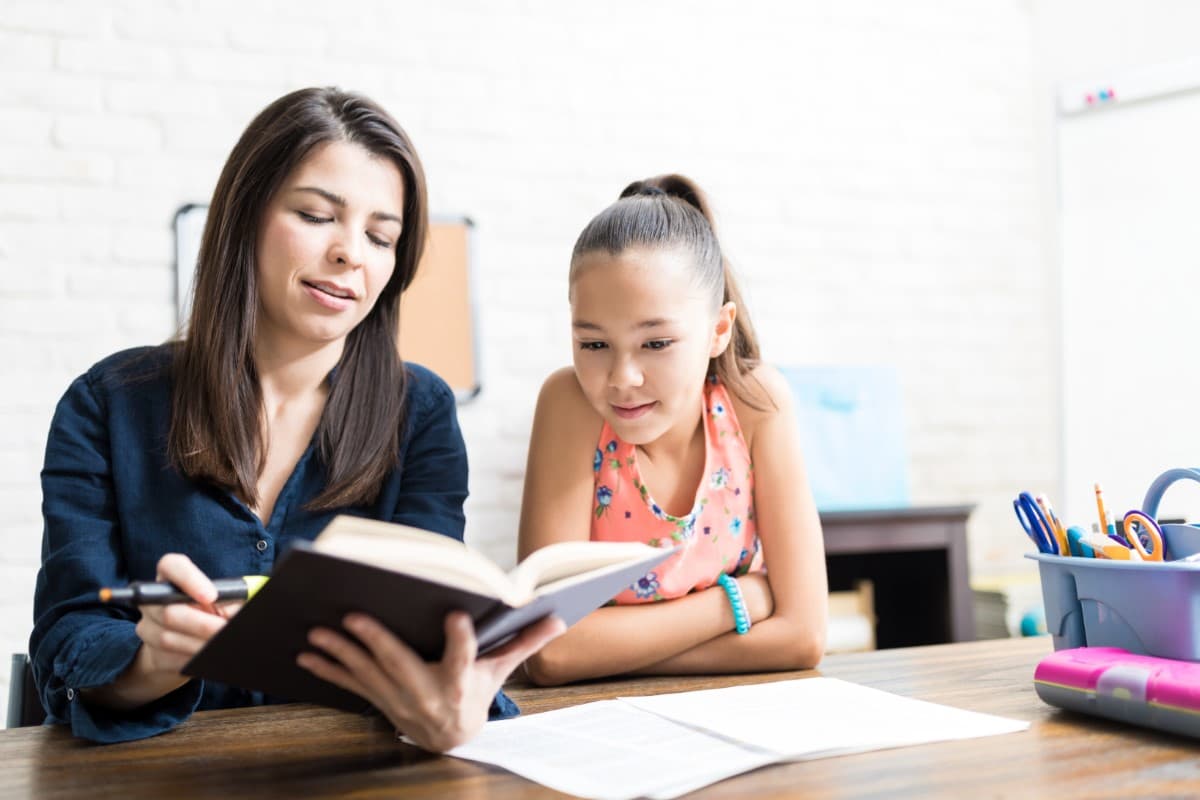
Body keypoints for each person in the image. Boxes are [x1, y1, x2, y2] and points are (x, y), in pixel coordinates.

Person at [30, 87, 563, 748]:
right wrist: (153, 659)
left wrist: (448, 700)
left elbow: (426, 624)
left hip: (348, 772)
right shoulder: (108, 403)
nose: (352, 254)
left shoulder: (420, 413)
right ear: (245, 217)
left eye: (381, 235)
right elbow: (70, 637)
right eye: (317, 215)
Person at [518, 175, 828, 685]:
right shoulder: (569, 404)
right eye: (594, 345)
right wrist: (737, 602)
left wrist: (605, 652)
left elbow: (804, 637)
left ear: (718, 330)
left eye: (656, 343)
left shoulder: (757, 405)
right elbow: (548, 653)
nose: (622, 379)